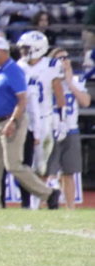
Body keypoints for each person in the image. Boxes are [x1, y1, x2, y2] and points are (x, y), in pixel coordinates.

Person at [0, 36, 60, 209]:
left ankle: (48, 193)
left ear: (2, 52)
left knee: (13, 165)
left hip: (11, 120)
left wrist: (12, 121)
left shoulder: (13, 70)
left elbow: (22, 100)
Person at [16, 30, 65, 204]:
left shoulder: (51, 65)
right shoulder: (19, 66)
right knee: (25, 163)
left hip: (45, 117)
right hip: (24, 120)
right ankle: (31, 202)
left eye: (26, 48)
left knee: (41, 165)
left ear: (38, 48)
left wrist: (62, 120)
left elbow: (60, 95)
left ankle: (40, 199)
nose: (22, 51)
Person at [46, 48, 90, 209]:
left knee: (69, 173)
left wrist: (70, 83)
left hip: (71, 129)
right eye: (60, 58)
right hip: (52, 130)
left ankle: (70, 207)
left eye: (66, 57)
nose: (64, 61)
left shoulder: (76, 81)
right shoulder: (48, 80)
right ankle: (48, 205)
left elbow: (85, 102)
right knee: (50, 172)